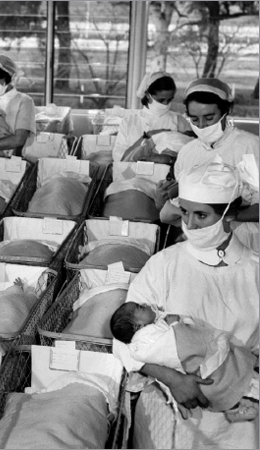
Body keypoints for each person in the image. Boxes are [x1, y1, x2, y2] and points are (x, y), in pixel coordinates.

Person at [113, 161, 259, 448]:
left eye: (201, 215)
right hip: (173, 401)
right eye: (184, 213)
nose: (189, 225)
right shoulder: (164, 264)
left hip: (242, 402)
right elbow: (126, 340)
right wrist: (172, 378)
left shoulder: (254, 271)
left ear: (228, 215)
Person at [111, 302, 258, 423]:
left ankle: (237, 404)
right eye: (140, 308)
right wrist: (175, 324)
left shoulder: (143, 340)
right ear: (138, 326)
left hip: (195, 368)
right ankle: (236, 406)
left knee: (227, 375)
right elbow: (178, 343)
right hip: (199, 367)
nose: (145, 304)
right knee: (226, 375)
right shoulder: (145, 339)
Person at [157, 78, 259, 250]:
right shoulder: (188, 152)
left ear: (227, 110)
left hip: (242, 241)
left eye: (209, 117)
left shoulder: (249, 147)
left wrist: (228, 214)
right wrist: (163, 198)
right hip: (198, 243)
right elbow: (182, 209)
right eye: (194, 119)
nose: (202, 126)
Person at [112, 71, 191, 162]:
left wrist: (168, 159)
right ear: (148, 95)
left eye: (169, 100)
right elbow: (118, 157)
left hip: (166, 174)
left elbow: (191, 153)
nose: (165, 104)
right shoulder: (129, 121)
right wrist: (149, 136)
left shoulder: (178, 121)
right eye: (161, 100)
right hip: (131, 173)